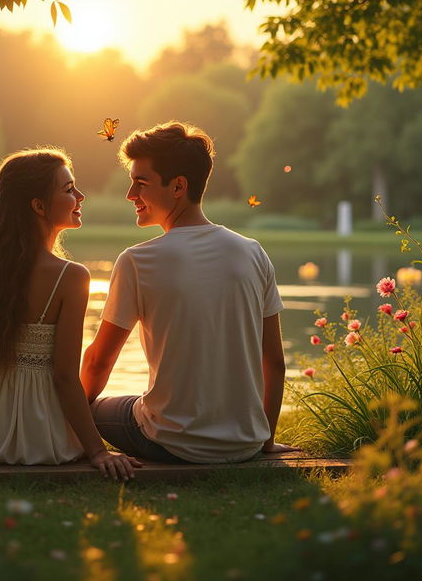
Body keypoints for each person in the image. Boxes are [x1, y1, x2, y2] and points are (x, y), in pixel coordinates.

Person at [80, 122, 297, 464]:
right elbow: (274, 363)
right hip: (246, 444)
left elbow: (98, 361)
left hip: (169, 443)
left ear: (178, 185)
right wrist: (265, 441)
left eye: (141, 183)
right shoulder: (253, 251)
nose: (130, 195)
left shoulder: (138, 260)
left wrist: (70, 421)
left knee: (88, 408)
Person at [0, 149, 141, 480]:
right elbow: (65, 377)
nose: (80, 196)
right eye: (68, 190)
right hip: (45, 435)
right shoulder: (72, 276)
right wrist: (97, 450)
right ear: (38, 206)